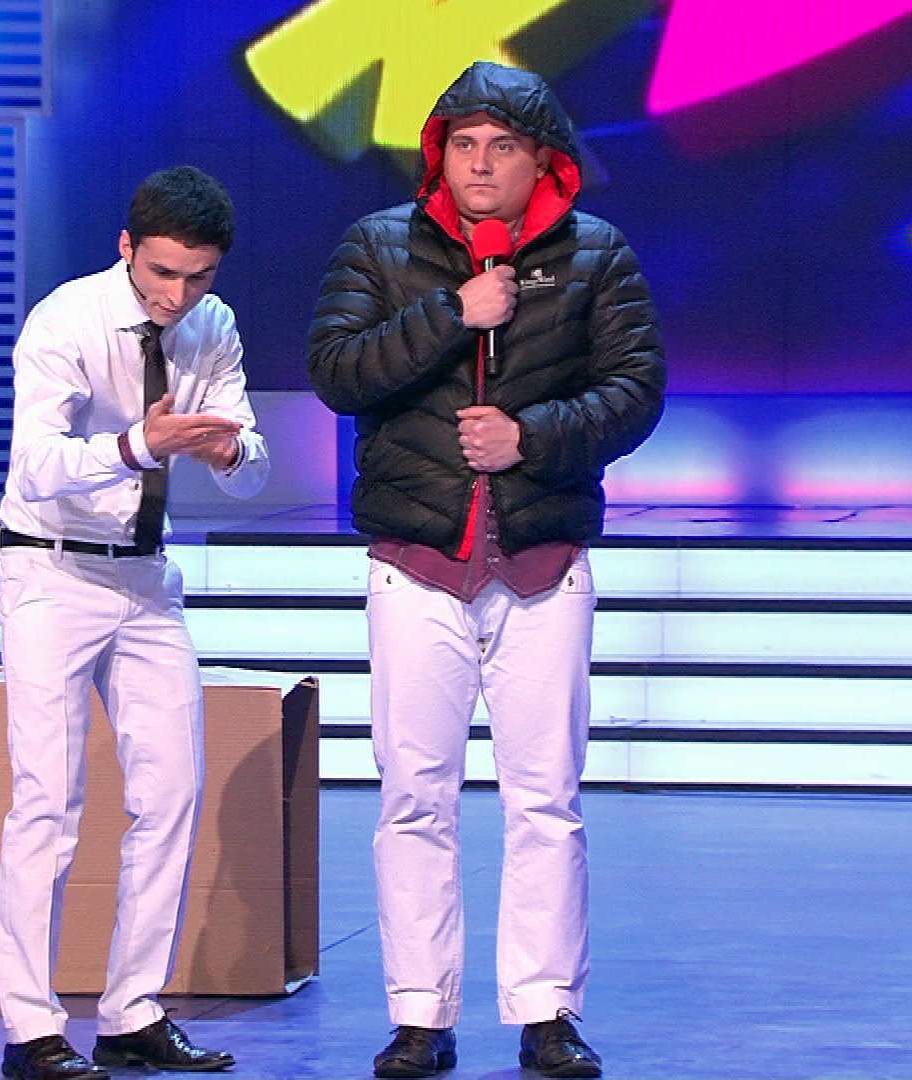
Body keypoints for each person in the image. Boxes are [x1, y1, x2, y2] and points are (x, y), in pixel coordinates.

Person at [307, 62, 666, 1079]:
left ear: (542, 161)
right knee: (413, 797)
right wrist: (450, 314)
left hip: (542, 562)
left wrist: (530, 437)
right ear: (439, 154)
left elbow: (636, 390)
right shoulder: (379, 245)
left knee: (544, 799)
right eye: (462, 144)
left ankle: (546, 1012)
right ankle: (420, 1015)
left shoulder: (596, 254)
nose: (479, 163)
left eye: (501, 146)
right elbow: (337, 371)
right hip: (416, 562)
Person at [0, 165, 266, 1080]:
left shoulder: (213, 326)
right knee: (48, 800)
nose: (177, 296)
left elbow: (251, 470)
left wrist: (229, 449)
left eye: (199, 276)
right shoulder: (65, 319)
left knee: (171, 792)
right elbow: (35, 468)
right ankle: (31, 1031)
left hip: (145, 575)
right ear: (126, 248)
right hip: (50, 569)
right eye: (162, 273)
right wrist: (139, 444)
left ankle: (131, 1013)